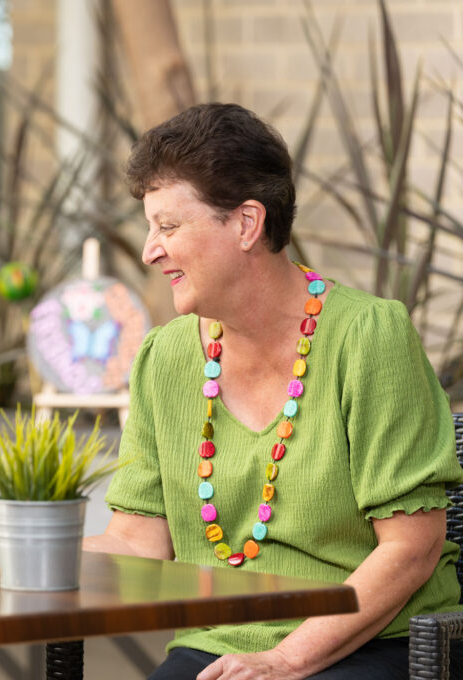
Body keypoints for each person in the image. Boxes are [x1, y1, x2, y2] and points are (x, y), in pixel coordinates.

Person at [84, 103, 463, 679]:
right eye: (149, 227)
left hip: (376, 643)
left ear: (246, 223)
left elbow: (411, 548)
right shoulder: (166, 359)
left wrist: (284, 660)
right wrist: (3, 549)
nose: (148, 250)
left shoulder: (367, 338)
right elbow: (138, 541)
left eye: (168, 226)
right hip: (220, 648)